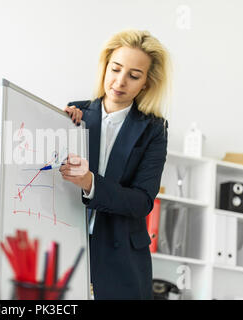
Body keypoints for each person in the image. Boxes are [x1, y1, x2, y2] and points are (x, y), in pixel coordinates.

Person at [60, 29, 171, 299]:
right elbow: (51, 179)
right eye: (115, 69)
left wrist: (90, 183)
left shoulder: (154, 130)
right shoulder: (74, 114)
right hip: (66, 244)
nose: (120, 81)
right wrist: (56, 124)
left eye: (134, 76)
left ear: (145, 83)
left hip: (123, 259)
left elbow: (141, 201)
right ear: (105, 67)